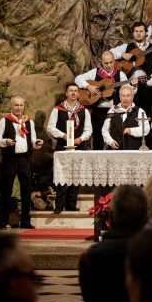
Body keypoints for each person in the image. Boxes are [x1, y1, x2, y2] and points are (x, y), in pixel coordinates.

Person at [0, 95, 43, 229]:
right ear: (11, 106)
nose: (18, 108)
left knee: (26, 191)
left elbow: (32, 140)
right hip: (10, 159)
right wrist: (5, 141)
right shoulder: (5, 121)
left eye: (21, 105)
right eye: (16, 105)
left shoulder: (29, 122)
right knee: (6, 190)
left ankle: (25, 221)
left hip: (25, 159)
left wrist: (37, 143)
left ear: (24, 106)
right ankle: (2, 222)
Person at [46, 82, 92, 214]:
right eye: (70, 91)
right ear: (66, 93)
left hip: (79, 146)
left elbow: (88, 130)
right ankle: (59, 205)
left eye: (75, 91)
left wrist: (80, 139)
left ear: (78, 93)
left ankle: (71, 204)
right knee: (62, 175)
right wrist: (64, 135)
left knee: (75, 175)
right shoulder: (58, 109)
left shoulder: (84, 111)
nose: (73, 93)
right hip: (62, 146)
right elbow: (51, 127)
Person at [75, 51, 128, 150]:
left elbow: (128, 91)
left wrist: (132, 85)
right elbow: (78, 79)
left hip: (115, 112)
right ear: (101, 62)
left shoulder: (120, 75)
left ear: (114, 61)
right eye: (106, 63)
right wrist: (88, 86)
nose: (109, 65)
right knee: (97, 138)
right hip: (98, 111)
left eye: (111, 62)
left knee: (114, 138)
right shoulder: (95, 72)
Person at [102, 84, 150, 150]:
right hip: (115, 151)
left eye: (128, 96)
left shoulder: (139, 111)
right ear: (119, 97)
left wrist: (131, 131)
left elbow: (146, 129)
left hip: (133, 150)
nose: (125, 98)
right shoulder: (112, 110)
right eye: (123, 96)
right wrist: (110, 141)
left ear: (132, 97)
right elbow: (105, 130)